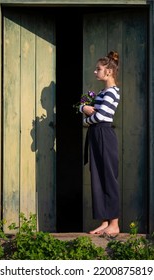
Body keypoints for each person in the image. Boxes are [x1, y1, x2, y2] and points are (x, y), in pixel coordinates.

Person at [79, 51, 120, 236]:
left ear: (109, 71)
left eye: (99, 69)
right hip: (97, 134)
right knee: (98, 177)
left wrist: (85, 116)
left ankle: (115, 223)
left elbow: (101, 116)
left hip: (104, 134)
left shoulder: (112, 92)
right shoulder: (103, 92)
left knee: (109, 177)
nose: (95, 72)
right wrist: (84, 108)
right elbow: (94, 114)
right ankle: (105, 221)